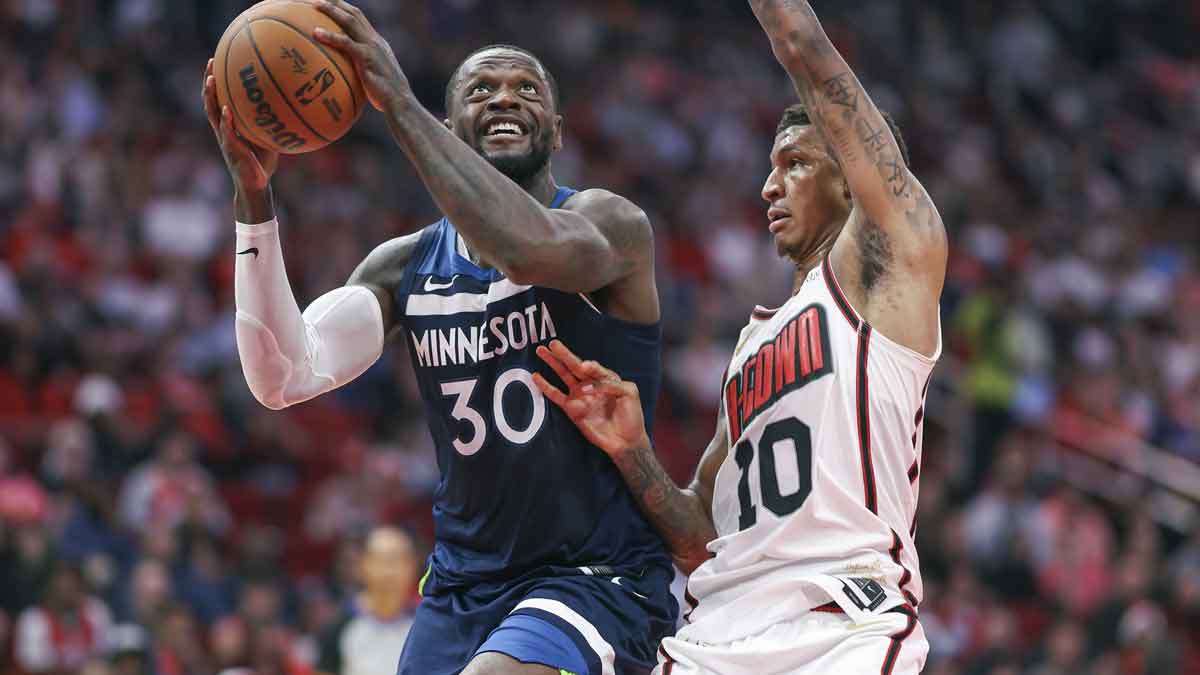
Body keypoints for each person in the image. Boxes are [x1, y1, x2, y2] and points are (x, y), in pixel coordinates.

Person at [200, 0, 677, 673]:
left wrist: (397, 101)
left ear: (558, 131)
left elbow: (524, 251)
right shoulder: (403, 267)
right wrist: (253, 200)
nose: (505, 97)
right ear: (452, 127)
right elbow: (281, 375)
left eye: (527, 88)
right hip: (463, 586)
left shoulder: (608, 223)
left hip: (595, 573)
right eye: (480, 90)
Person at [531, 1, 947, 673]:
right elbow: (701, 536)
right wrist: (633, 450)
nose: (767, 186)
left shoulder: (889, 268)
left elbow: (802, 45)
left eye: (795, 164)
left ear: (850, 174)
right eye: (770, 166)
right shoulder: (751, 345)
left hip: (841, 621)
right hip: (718, 632)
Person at [316, 527, 419, 675]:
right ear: (363, 565)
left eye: (397, 560)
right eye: (381, 560)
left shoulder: (427, 625)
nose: (388, 570)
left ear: (412, 566)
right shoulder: (340, 625)